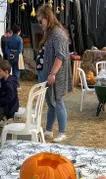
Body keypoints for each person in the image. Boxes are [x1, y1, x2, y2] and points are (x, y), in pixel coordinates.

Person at [37, 5, 72, 143]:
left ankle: (62, 132)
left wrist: (52, 73)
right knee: (51, 102)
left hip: (58, 74)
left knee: (58, 102)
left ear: (48, 18)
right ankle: (49, 130)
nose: (40, 25)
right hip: (51, 74)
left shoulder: (57, 33)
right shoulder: (51, 33)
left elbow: (61, 56)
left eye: (41, 21)